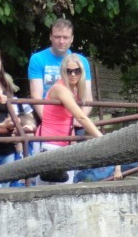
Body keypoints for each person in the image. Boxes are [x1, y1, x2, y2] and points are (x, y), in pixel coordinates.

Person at [37, 55, 114, 183]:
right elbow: (81, 117)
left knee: (66, 189)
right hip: (49, 145)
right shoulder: (60, 89)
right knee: (42, 191)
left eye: (77, 71)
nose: (73, 74)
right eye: (69, 71)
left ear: (81, 72)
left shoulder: (73, 89)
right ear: (63, 72)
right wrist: (103, 140)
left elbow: (69, 119)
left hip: (64, 145)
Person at [28, 19, 93, 121]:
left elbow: (87, 97)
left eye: (65, 37)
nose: (61, 41)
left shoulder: (82, 61)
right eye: (57, 37)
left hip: (74, 115)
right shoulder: (37, 59)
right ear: (50, 37)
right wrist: (48, 120)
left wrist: (79, 120)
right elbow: (36, 96)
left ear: (72, 39)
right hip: (47, 115)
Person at [0, 46, 28, 175]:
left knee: (7, 188)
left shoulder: (6, 85)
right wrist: (2, 125)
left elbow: (12, 112)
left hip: (8, 145)